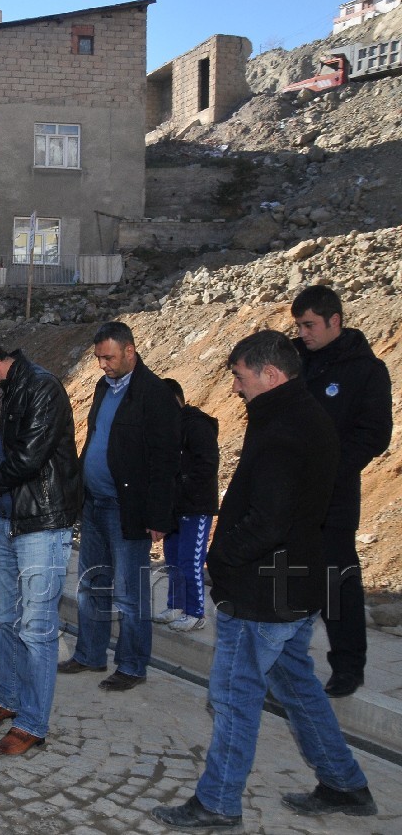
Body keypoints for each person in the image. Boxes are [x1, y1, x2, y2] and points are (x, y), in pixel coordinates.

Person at [152, 330, 377, 830]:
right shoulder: (299, 415)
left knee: (233, 697)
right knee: (297, 685)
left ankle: (217, 803)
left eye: (239, 375)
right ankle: (344, 783)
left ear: (270, 374)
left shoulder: (285, 428)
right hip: (292, 583)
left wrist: (221, 560)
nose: (234, 387)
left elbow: (269, 520)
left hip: (264, 589)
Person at [0, 331, 81, 756]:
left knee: (37, 628)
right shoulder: (3, 392)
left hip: (42, 522)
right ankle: (8, 701)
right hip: (8, 521)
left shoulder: (42, 387)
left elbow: (29, 459)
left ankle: (32, 725)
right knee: (4, 617)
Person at [60, 321, 179, 692]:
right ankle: (90, 655)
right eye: (98, 358)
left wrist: (159, 516)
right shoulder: (102, 387)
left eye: (109, 357)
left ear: (130, 351)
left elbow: (165, 462)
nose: (102, 365)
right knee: (91, 584)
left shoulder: (155, 394)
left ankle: (131, 665)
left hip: (127, 509)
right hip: (94, 504)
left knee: (130, 593)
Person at [291, 286, 392, 698]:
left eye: (310, 324)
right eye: (298, 325)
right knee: (287, 581)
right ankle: (285, 662)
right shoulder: (294, 362)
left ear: (335, 321)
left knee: (338, 583)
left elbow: (373, 435)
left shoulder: (366, 371)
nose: (303, 332)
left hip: (332, 499)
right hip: (289, 495)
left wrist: (328, 470)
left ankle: (348, 666)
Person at [154, 378, 219, 633]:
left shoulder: (196, 426)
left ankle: (196, 612)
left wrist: (183, 483)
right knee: (173, 559)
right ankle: (175, 605)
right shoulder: (167, 430)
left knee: (190, 560)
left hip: (195, 506)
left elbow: (207, 464)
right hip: (174, 507)